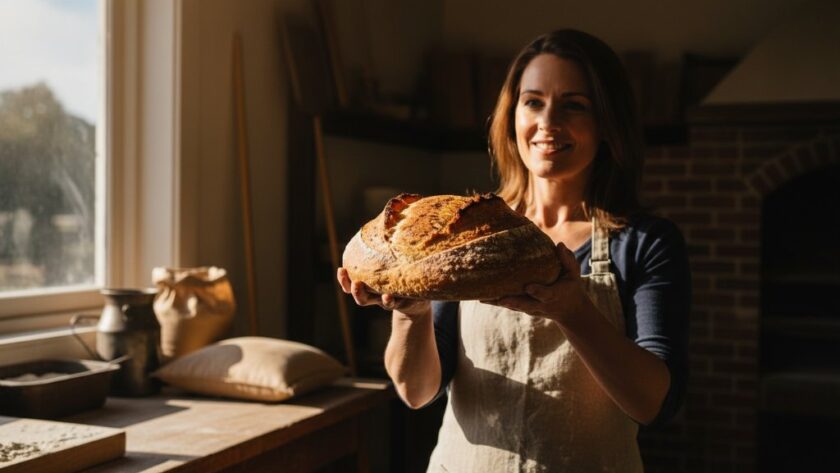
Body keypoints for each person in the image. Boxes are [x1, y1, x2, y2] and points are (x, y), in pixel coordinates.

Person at [337, 29, 690, 473]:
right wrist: (413, 314)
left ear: (607, 122)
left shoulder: (645, 242)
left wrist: (573, 310)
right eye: (533, 101)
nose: (548, 122)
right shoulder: (468, 239)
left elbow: (654, 403)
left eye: (574, 104)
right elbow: (416, 392)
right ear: (511, 115)